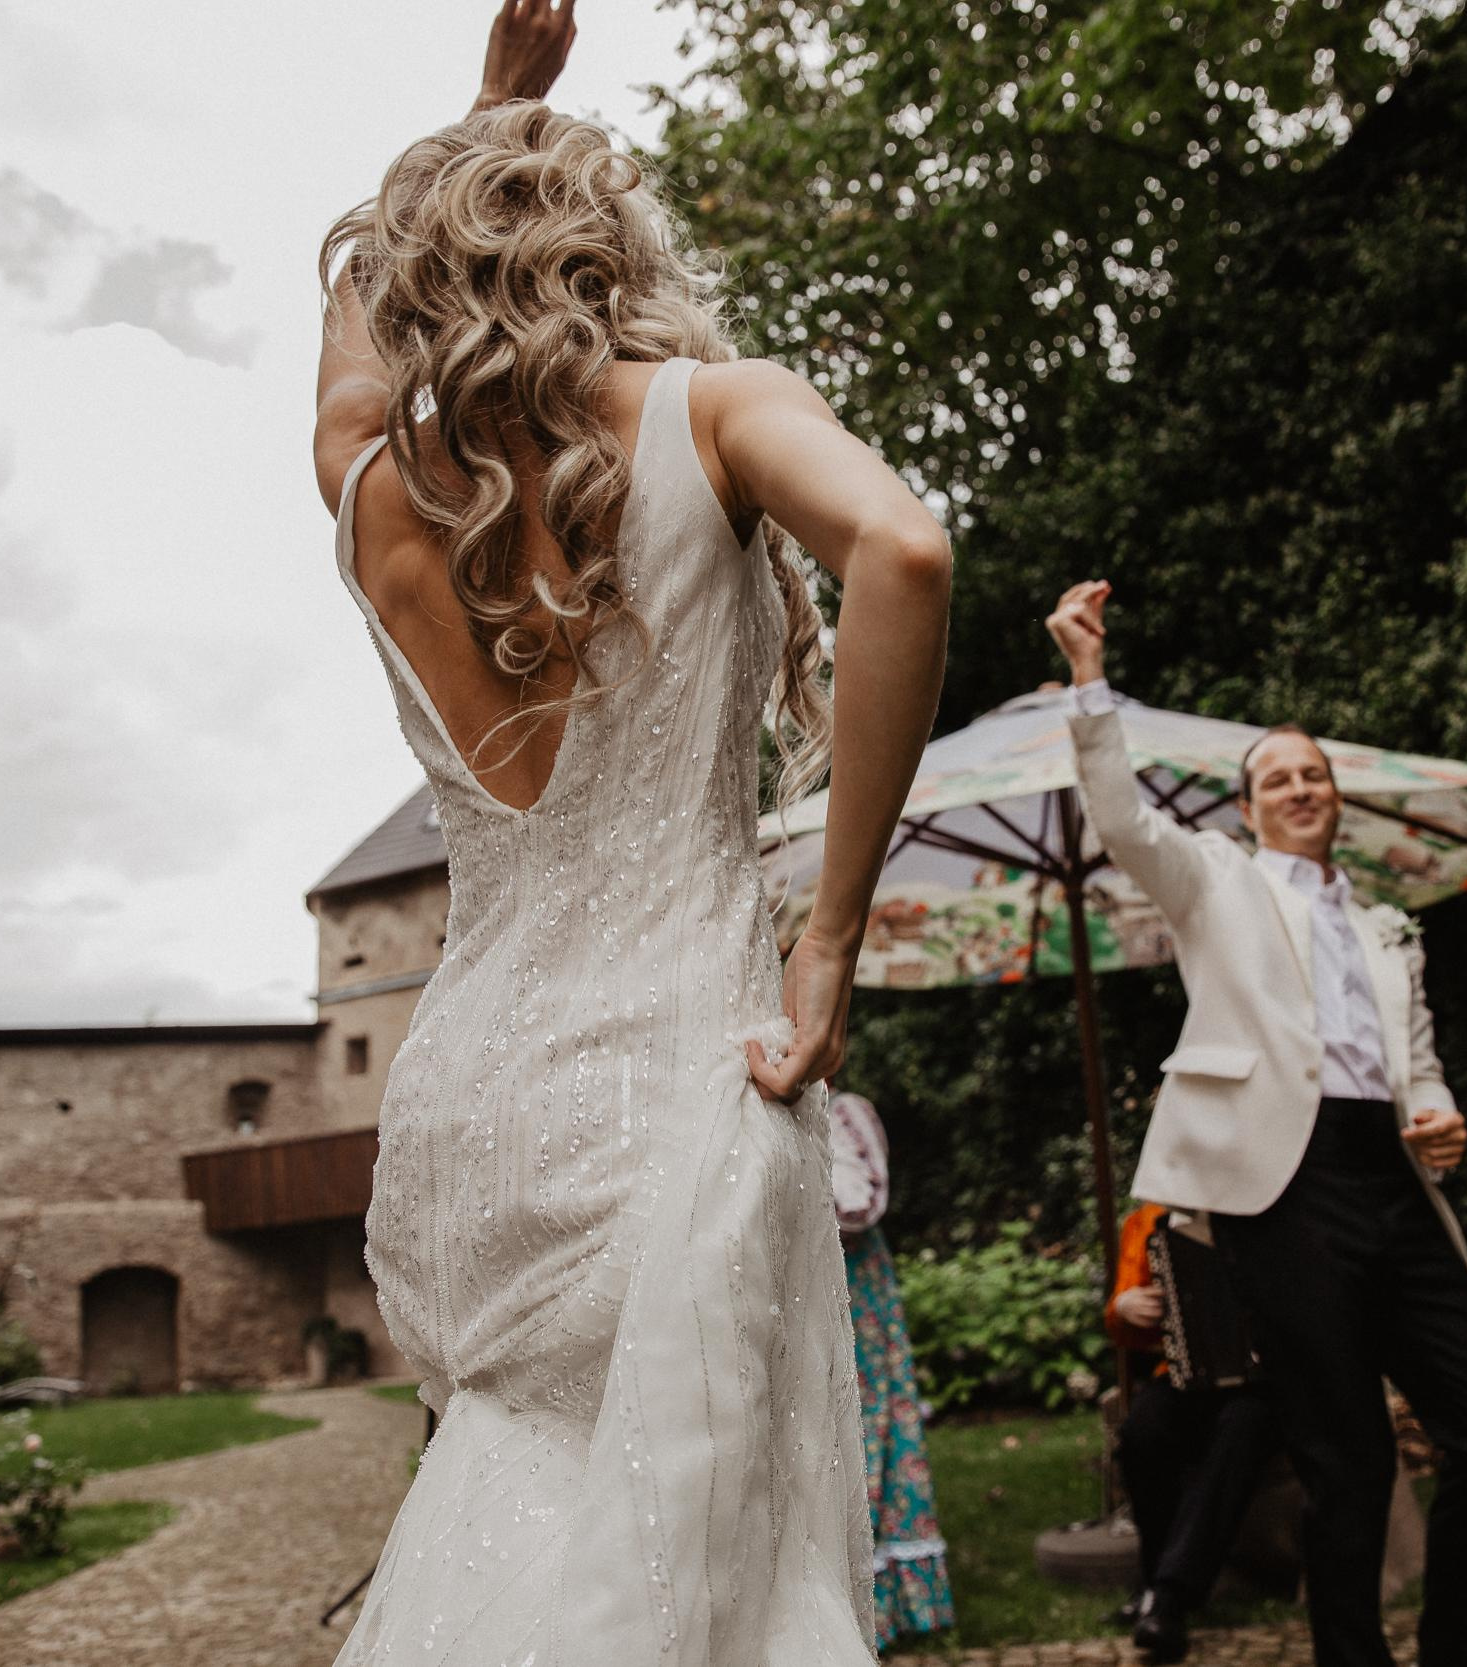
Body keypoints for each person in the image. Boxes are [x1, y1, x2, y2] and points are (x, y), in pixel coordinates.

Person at [312, 4, 951, 1661]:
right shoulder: (720, 410)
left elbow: (343, 391)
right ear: (618, 254)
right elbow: (905, 553)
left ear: (424, 272)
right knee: (714, 1571)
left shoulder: (378, 489)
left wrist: (480, 112)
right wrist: (826, 936)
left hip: (473, 1100)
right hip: (679, 1073)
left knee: (505, 1498)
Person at [1044, 580, 1467, 1667]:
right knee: (1347, 1460)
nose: (1300, 785)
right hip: (1282, 1187)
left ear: (1335, 796)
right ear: (1248, 807)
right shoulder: (1212, 879)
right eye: (1277, 775)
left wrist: (1438, 1114)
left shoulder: (1387, 928)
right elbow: (1123, 819)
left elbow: (1419, 1068)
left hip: (1392, 1179)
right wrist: (1089, 681)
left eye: (1313, 772)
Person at [1104, 1201, 1284, 1663]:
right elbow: (1122, 1322)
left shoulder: (1267, 1209)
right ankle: (1156, 1582)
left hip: (1265, 1382)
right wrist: (1124, 1307)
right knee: (1142, 1434)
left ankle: (1167, 1598)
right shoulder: (1149, 1220)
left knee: (1240, 1431)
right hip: (1182, 1371)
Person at [827, 1091, 956, 1647]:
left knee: (870, 1420)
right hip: (791, 1282)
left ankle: (885, 1601)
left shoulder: (845, 1114)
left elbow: (860, 1206)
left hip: (855, 1287)